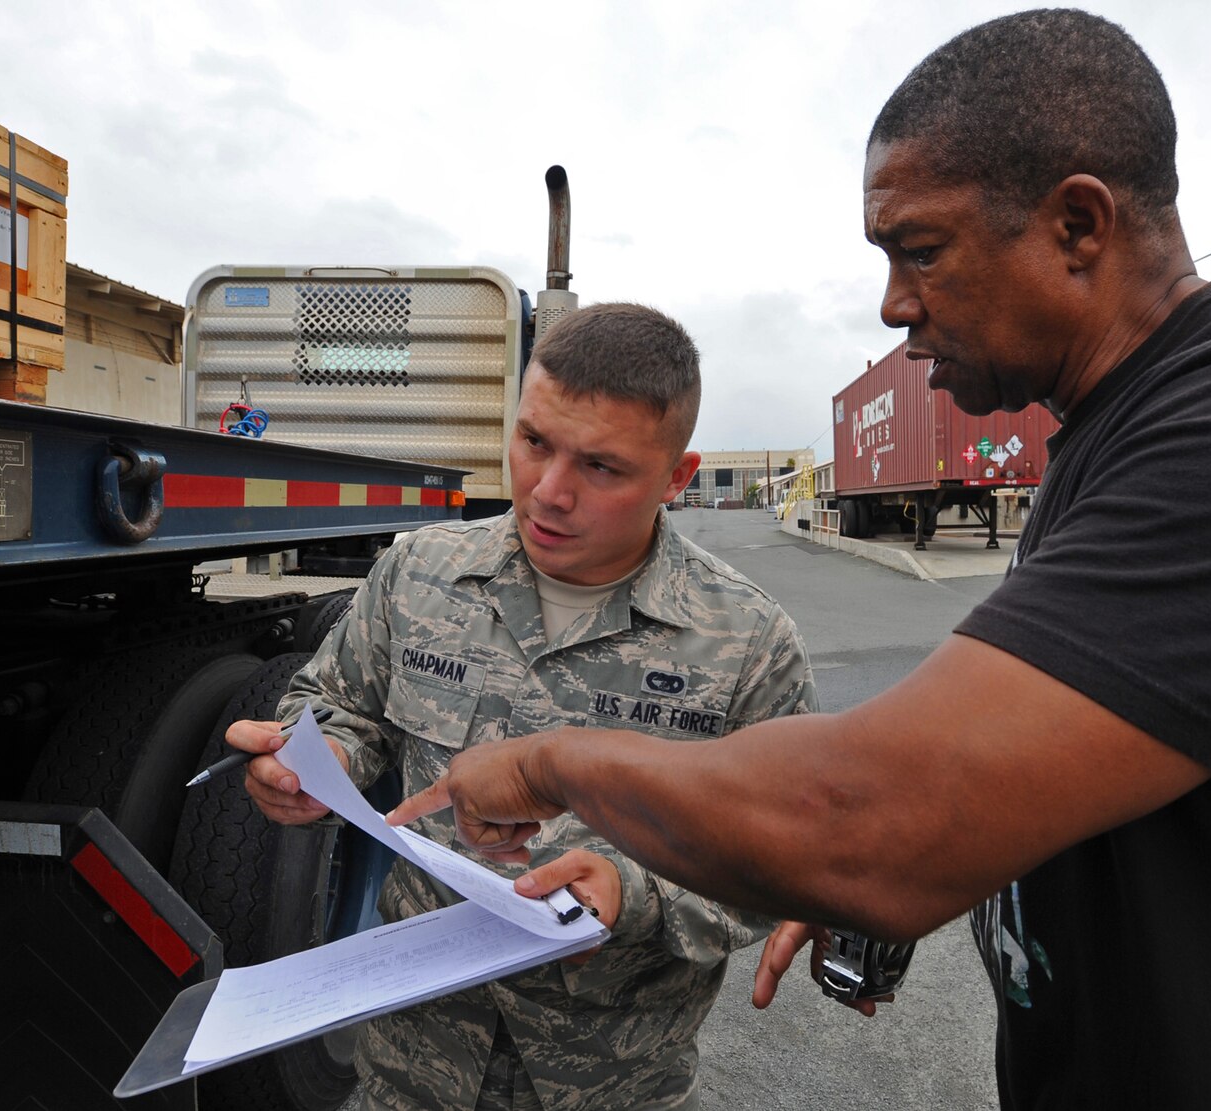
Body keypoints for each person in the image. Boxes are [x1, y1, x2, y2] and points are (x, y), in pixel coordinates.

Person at [386, 10, 1211, 1109]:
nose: (894, 303)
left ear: (1077, 225)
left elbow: (872, 816)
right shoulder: (1108, 441)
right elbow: (1100, 763)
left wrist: (548, 765)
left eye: (919, 251)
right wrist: (957, 866)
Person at [226, 302, 818, 1111]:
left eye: (602, 468)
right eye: (534, 441)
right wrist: (315, 760)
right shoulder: (421, 572)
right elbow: (336, 702)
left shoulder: (747, 640)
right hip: (409, 1066)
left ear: (678, 476)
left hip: (609, 1081)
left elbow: (782, 857)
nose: (549, 490)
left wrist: (629, 889)